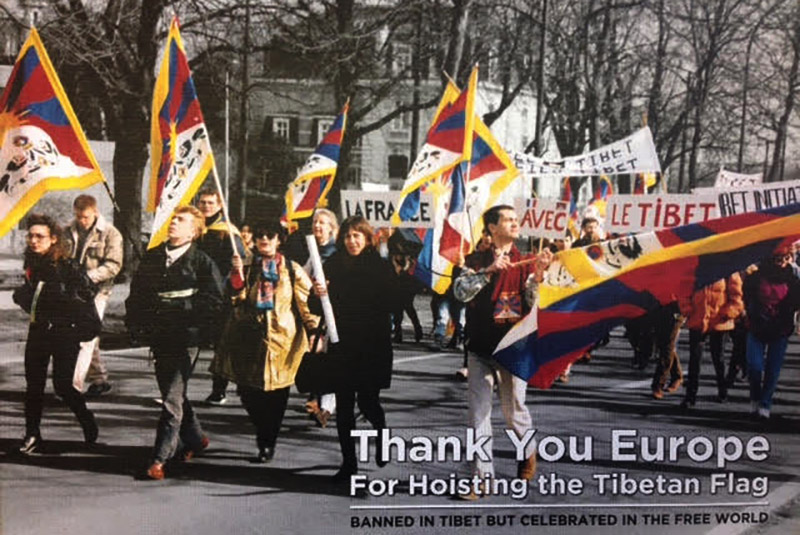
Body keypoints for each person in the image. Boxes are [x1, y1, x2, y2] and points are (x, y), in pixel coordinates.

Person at [453, 205, 548, 499]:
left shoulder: (527, 261)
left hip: (512, 348)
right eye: (508, 219)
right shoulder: (475, 259)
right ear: (492, 228)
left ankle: (528, 450)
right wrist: (487, 272)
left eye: (515, 219)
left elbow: (533, 301)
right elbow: (459, 291)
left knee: (513, 413)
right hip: (481, 348)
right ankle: (481, 479)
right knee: (478, 415)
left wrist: (540, 276)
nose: (515, 223)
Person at [126, 206, 224, 480]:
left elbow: (214, 300)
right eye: (173, 219)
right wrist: (135, 324)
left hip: (186, 338)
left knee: (170, 398)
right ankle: (196, 438)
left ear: (193, 231)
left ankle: (159, 458)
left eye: (181, 221)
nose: (173, 223)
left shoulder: (203, 262)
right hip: (160, 337)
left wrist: (183, 308)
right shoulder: (153, 257)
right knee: (175, 395)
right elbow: (137, 295)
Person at [213, 222, 318, 461]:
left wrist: (314, 330)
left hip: (282, 341)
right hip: (248, 339)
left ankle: (267, 441)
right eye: (260, 235)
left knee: (276, 394)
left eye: (269, 235)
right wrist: (237, 278)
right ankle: (263, 429)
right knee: (247, 391)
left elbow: (306, 303)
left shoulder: (291, 269)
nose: (264, 239)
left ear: (279, 239)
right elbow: (234, 299)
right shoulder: (247, 266)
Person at [310, 216, 397, 483]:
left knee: (368, 401)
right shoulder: (333, 264)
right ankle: (349, 463)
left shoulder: (380, 266)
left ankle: (381, 433)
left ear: (367, 238)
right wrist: (318, 294)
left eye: (357, 236)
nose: (352, 241)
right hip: (342, 344)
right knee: (344, 406)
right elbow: (317, 309)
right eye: (347, 236)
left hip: (372, 345)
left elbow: (394, 301)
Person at [13, 214, 99, 455]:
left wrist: (73, 319)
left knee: (62, 385)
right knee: (34, 385)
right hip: (39, 331)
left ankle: (85, 418)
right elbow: (33, 298)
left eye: (39, 236)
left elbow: (85, 295)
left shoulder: (67, 266)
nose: (33, 240)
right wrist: (23, 297)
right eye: (30, 236)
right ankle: (32, 433)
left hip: (64, 333)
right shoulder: (31, 264)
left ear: (53, 240)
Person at [63, 194, 123, 397]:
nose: (82, 221)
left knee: (85, 338)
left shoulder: (110, 234)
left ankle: (74, 385)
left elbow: (114, 265)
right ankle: (99, 378)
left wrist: (89, 277)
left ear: (95, 212)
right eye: (78, 216)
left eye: (86, 217)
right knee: (85, 334)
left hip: (97, 292)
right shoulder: (66, 232)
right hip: (71, 291)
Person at [195, 187, 247, 405]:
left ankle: (220, 389)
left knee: (222, 345)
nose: (206, 206)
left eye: (210, 203)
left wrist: (239, 263)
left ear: (219, 206)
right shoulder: (195, 229)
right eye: (203, 202)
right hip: (195, 292)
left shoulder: (228, 232)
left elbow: (241, 259)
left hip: (219, 295)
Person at [743, 247, 800, 419]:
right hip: (757, 326)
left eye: (785, 258)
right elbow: (746, 296)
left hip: (780, 328)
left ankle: (765, 404)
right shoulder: (756, 277)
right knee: (754, 367)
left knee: (772, 369)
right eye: (778, 258)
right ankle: (755, 397)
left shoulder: (793, 279)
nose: (782, 261)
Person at [678, 275, 744, 408]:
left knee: (718, 357)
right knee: (694, 358)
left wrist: (729, 313)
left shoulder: (728, 268)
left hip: (719, 320)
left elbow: (736, 295)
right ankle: (690, 396)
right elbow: (684, 290)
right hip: (698, 319)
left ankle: (722, 390)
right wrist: (687, 309)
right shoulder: (696, 268)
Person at [302, 208, 339, 428]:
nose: (317, 226)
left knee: (331, 357)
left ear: (332, 228)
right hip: (318, 310)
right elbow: (305, 275)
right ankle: (317, 399)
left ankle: (325, 405)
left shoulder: (336, 253)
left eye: (323, 223)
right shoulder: (314, 250)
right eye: (315, 222)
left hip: (336, 312)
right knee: (317, 354)